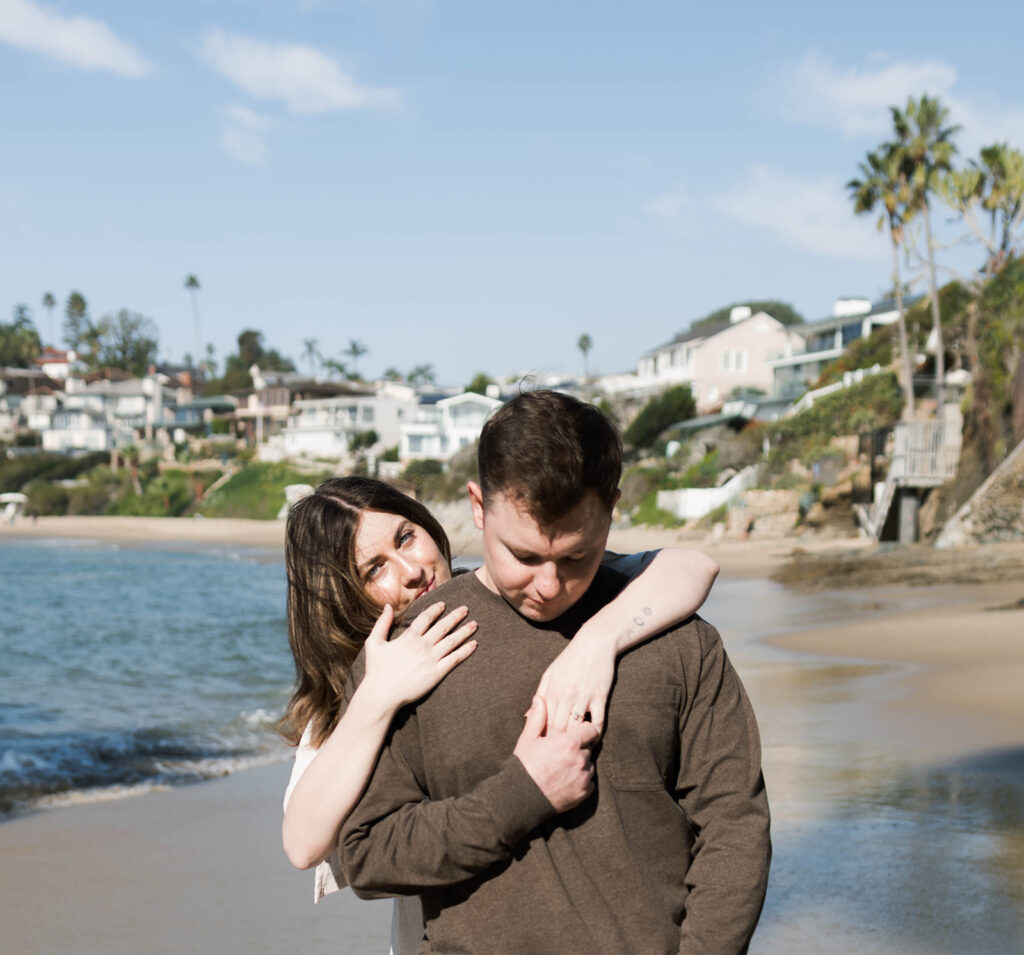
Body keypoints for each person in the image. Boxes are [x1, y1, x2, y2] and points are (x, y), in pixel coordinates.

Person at [339, 392, 771, 954]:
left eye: (575, 557)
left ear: (612, 508)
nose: (548, 586)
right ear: (478, 506)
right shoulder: (408, 651)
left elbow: (735, 826)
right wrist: (522, 794)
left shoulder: (679, 640)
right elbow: (369, 855)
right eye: (523, 556)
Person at [280, 475, 720, 953]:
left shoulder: (510, 583)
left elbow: (690, 566)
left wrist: (597, 642)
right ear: (342, 594)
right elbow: (303, 844)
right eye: (373, 569)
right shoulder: (355, 694)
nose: (411, 569)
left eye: (406, 537)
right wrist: (378, 693)